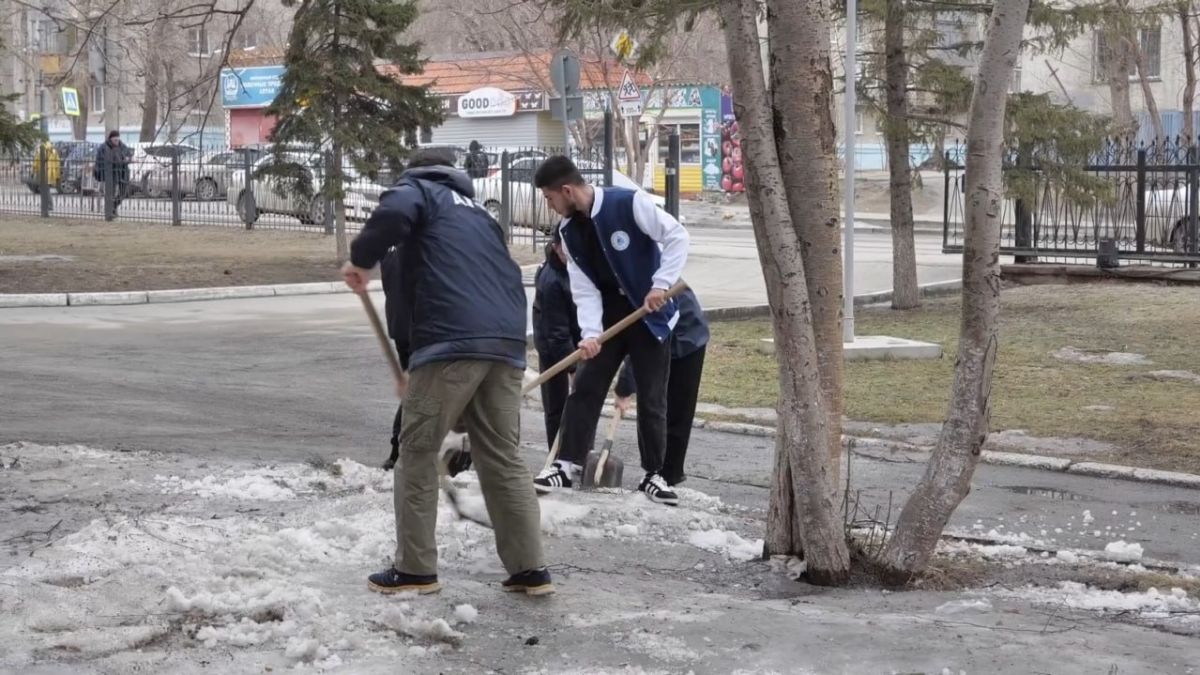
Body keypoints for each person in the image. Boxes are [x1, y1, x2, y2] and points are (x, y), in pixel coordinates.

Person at [342, 147, 552, 596]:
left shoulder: (419, 190)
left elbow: (393, 213)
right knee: (503, 456)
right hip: (507, 341)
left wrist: (361, 258)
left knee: (416, 452)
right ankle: (529, 570)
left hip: (452, 340)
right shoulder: (478, 214)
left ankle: (415, 569)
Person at [531, 155, 689, 506]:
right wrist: (589, 334)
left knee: (651, 396)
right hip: (609, 318)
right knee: (585, 386)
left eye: (549, 198)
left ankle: (654, 474)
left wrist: (660, 285)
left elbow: (677, 236)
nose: (550, 205)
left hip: (650, 312)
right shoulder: (569, 233)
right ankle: (566, 465)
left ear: (567, 190)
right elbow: (584, 288)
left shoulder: (627, 203)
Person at [612, 288, 710, 487]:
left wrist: (624, 388)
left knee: (674, 409)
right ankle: (656, 473)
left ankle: (666, 476)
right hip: (665, 332)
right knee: (653, 404)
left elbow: (643, 340)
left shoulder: (644, 280)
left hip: (688, 335)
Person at [531, 227, 581, 448]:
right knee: (556, 406)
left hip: (576, 341)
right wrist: (573, 369)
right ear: (556, 246)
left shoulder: (574, 266)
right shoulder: (552, 280)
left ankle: (578, 451)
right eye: (566, 249)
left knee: (581, 402)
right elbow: (557, 334)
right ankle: (558, 455)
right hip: (552, 347)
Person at [94, 130, 131, 215]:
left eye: (117, 140)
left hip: (122, 172)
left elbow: (128, 154)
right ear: (110, 139)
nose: (116, 142)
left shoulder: (122, 146)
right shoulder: (104, 147)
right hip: (110, 173)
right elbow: (103, 160)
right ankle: (110, 211)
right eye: (115, 140)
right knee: (111, 193)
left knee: (123, 192)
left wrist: (128, 158)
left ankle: (113, 206)